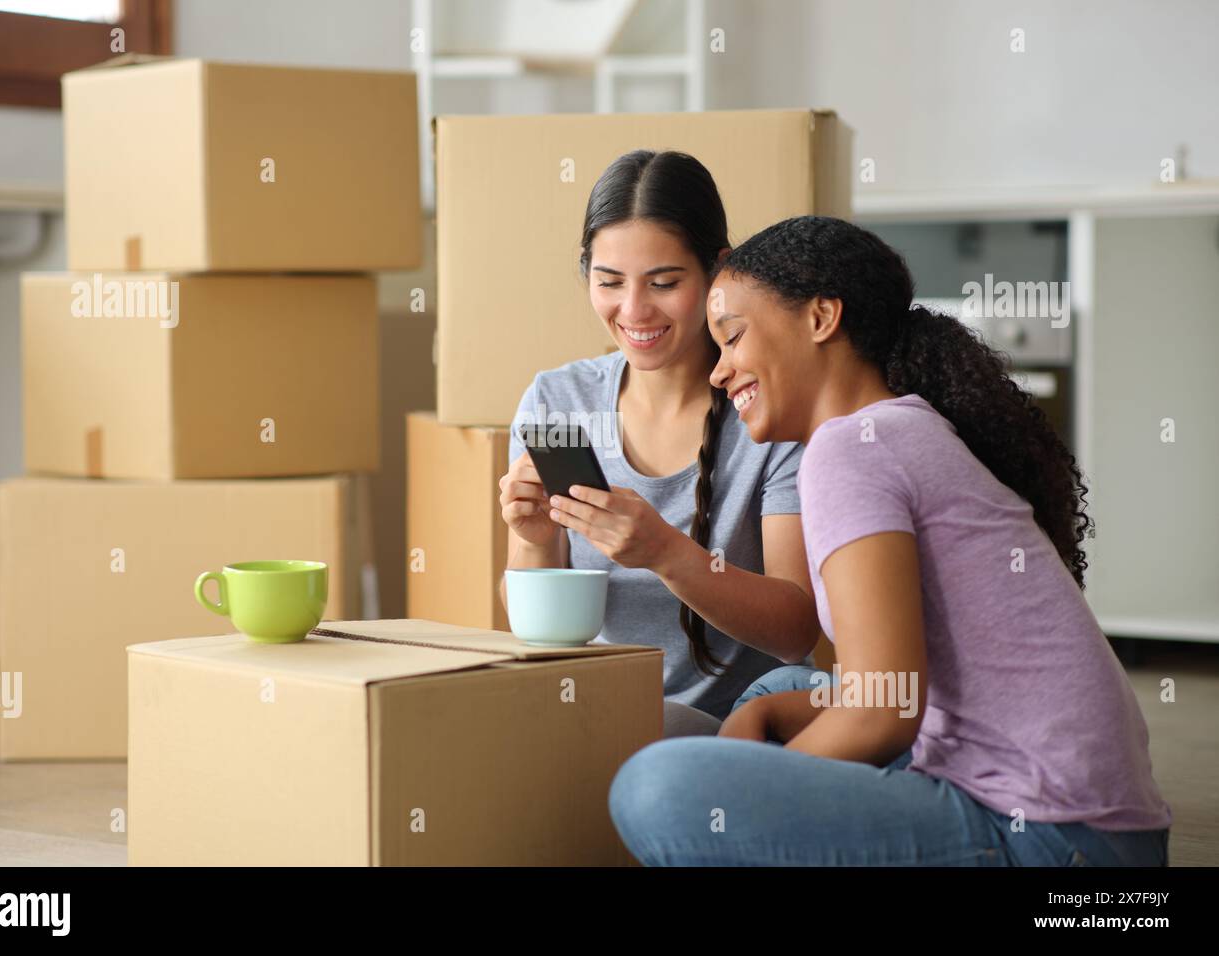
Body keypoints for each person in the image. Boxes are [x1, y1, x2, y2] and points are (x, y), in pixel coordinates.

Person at [608, 215, 1172, 865]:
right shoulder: (897, 429)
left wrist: (771, 786)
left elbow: (884, 713)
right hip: (1105, 829)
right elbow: (896, 691)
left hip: (1051, 835)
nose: (719, 371)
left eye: (732, 338)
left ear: (821, 318)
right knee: (775, 694)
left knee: (655, 789)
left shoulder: (850, 450)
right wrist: (770, 747)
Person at [498, 151, 821, 734]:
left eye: (665, 283)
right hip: (595, 713)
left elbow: (797, 629)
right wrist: (535, 539)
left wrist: (667, 553)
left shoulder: (771, 409)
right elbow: (538, 639)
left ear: (717, 272)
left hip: (739, 726)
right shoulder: (557, 401)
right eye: (610, 282)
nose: (635, 310)